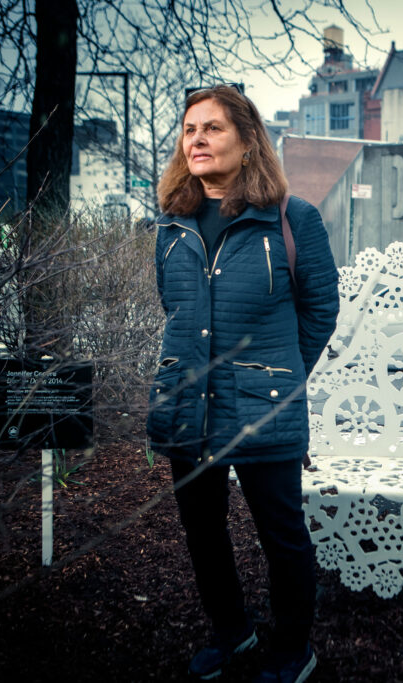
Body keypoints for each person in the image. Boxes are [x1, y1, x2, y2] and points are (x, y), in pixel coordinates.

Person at [148, 85, 339, 682]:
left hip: (263, 410)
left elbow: (320, 310)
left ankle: (292, 650)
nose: (197, 138)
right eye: (189, 129)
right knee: (203, 534)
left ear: (248, 138)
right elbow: (174, 310)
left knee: (281, 536)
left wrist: (280, 380)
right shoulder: (172, 223)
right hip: (188, 406)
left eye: (212, 127)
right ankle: (233, 633)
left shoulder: (292, 219)